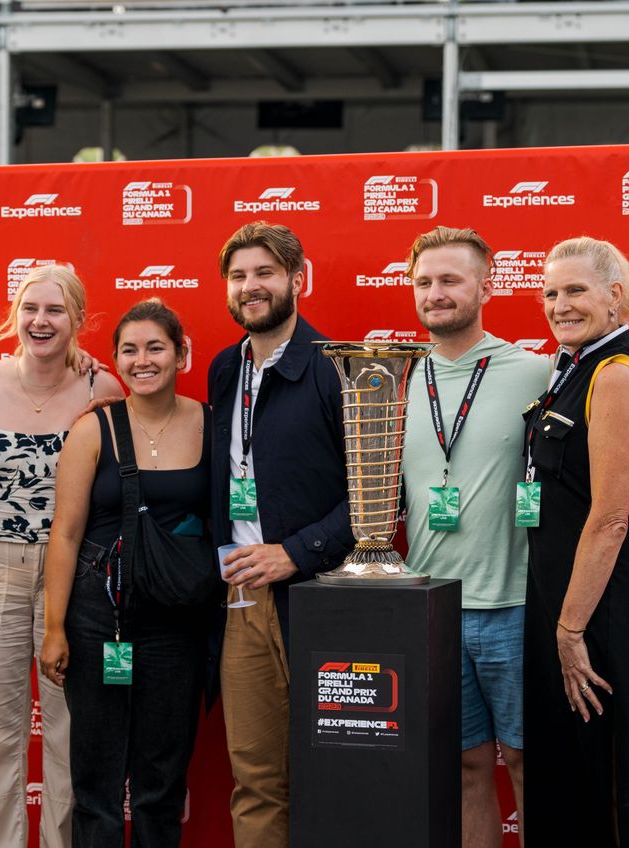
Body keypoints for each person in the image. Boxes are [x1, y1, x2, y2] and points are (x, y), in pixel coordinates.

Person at [401, 227, 629, 848]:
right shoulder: (394, 379)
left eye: (451, 279)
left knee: (550, 771)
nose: (436, 292)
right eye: (424, 281)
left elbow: (619, 419)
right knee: (468, 768)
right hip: (436, 608)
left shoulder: (539, 369)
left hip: (523, 609)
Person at [0, 264, 123, 848]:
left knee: (69, 731)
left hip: (71, 573)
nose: (40, 321)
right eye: (30, 309)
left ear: (77, 319)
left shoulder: (104, 389)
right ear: (14, 316)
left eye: (55, 310)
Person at [39, 298, 211, 847]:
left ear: (181, 353)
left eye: (156, 347)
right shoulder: (94, 430)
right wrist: (55, 627)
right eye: (129, 350)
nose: (143, 360)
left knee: (162, 780)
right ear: (115, 360)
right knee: (97, 780)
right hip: (99, 623)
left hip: (178, 625)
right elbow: (64, 534)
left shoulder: (211, 423)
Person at [208, 221, 355, 848]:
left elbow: (376, 495)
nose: (251, 287)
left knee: (335, 773)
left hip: (319, 600)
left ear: (299, 279)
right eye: (239, 276)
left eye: (265, 273)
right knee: (256, 780)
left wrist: (295, 553)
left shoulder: (333, 368)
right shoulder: (222, 369)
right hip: (241, 604)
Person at [522, 237, 629, 847]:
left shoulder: (614, 374)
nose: (560, 305)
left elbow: (609, 520)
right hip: (567, 602)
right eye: (550, 293)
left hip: (600, 610)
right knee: (567, 773)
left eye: (575, 290)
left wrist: (570, 629)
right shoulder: (571, 365)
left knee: (608, 774)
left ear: (614, 296)